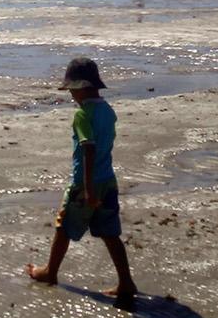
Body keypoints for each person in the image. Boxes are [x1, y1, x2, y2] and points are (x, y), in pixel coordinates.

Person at [27, 56, 137, 302]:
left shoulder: (82, 115)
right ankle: (126, 282)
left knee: (63, 228)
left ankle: (50, 272)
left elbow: (88, 147)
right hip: (108, 181)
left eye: (71, 90)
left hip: (84, 184)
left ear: (80, 87)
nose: (71, 95)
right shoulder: (108, 111)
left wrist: (87, 188)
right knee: (110, 233)